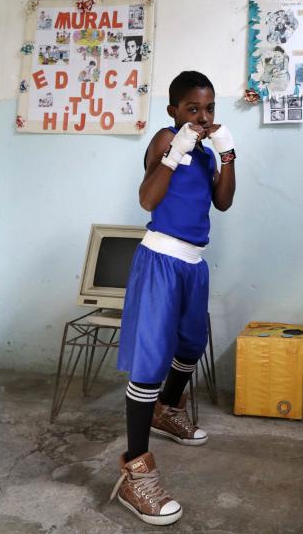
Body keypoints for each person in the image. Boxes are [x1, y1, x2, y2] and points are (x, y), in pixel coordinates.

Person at [111, 71, 236, 526]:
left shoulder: (206, 151)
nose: (202, 117)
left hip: (193, 263)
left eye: (209, 110)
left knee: (189, 345)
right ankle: (135, 470)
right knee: (150, 361)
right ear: (174, 111)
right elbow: (147, 199)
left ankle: (168, 410)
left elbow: (222, 203)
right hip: (160, 261)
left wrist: (228, 154)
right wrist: (174, 152)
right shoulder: (167, 137)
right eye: (192, 109)